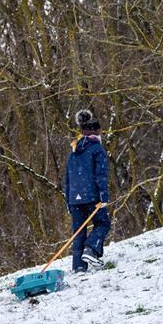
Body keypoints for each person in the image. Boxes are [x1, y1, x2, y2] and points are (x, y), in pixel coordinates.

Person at [64, 109, 111, 273]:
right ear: (97, 132)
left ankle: (78, 266)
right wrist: (104, 195)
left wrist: (68, 200)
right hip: (92, 196)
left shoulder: (74, 151)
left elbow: (67, 178)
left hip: (74, 198)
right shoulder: (97, 149)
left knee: (78, 231)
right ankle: (91, 249)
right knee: (103, 223)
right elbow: (101, 174)